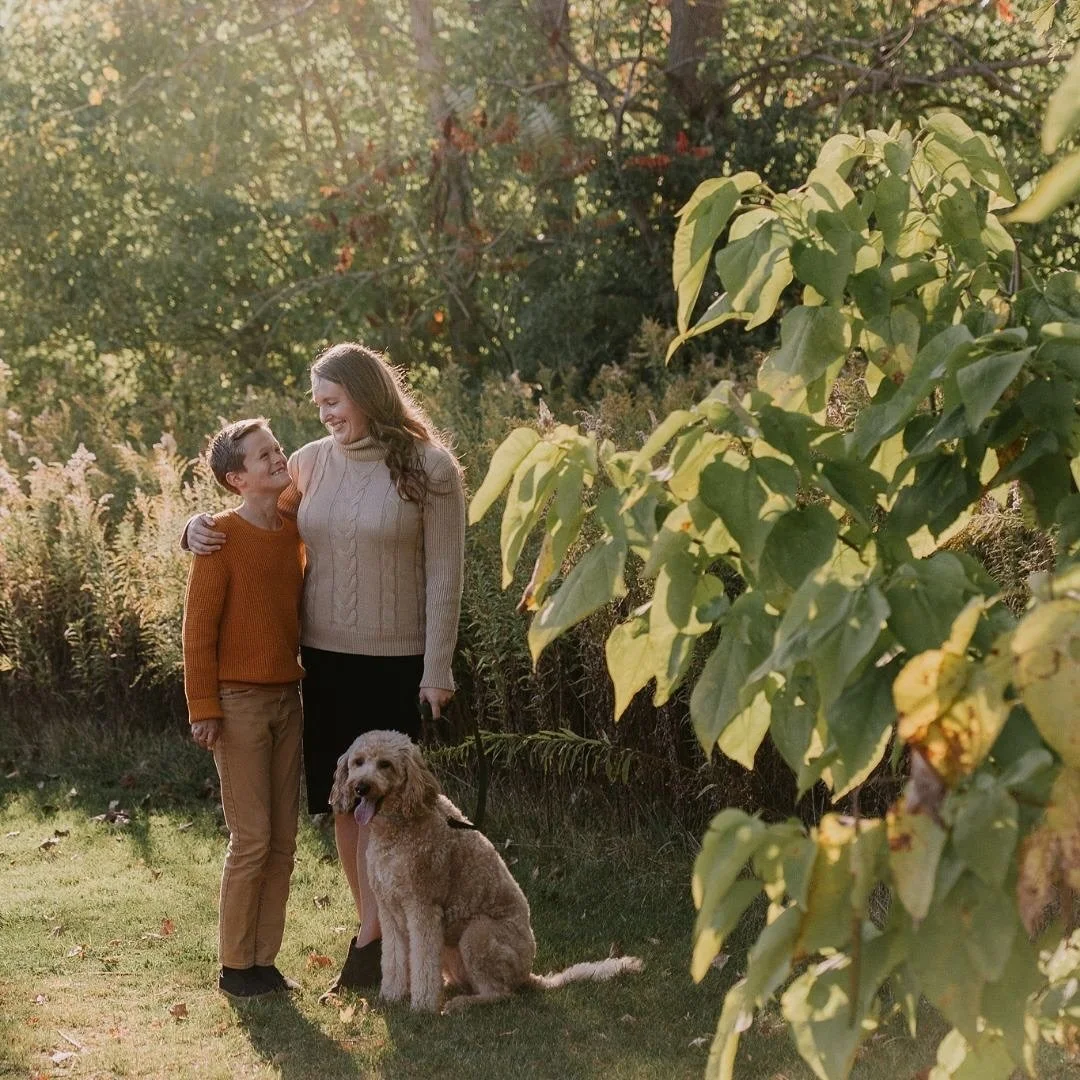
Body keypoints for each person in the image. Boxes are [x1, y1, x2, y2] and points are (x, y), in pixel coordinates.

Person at [185, 342, 466, 996]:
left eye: (331, 401)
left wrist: (438, 669)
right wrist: (195, 527)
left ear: (367, 394)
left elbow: (446, 573)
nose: (323, 415)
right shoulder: (309, 464)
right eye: (317, 404)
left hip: (399, 663)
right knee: (347, 803)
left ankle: (402, 934)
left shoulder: (431, 468)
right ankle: (371, 935)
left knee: (398, 807)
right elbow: (253, 525)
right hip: (324, 662)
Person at [182, 418, 306, 999]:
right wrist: (203, 706)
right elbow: (197, 630)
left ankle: (264, 959)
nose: (278, 459)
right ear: (236, 478)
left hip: (289, 696)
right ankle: (235, 966)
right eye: (264, 456)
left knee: (283, 840)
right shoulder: (220, 538)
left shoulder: (292, 525)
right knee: (252, 836)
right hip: (238, 704)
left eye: (278, 449)